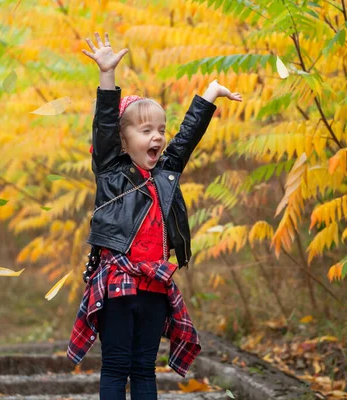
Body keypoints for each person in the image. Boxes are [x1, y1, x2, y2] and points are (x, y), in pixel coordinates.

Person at [67, 32, 242, 400]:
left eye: (160, 130)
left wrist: (209, 94)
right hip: (117, 285)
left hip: (156, 287)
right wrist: (106, 76)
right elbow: (103, 124)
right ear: (123, 139)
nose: (158, 137)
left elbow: (185, 141)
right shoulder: (111, 173)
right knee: (116, 368)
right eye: (146, 130)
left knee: (145, 371)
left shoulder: (164, 175)